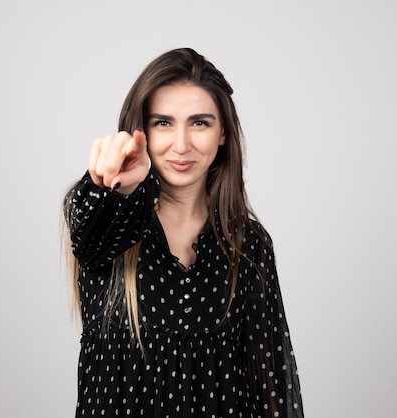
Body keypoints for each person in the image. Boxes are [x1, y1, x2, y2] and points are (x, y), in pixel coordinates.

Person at [63, 47, 304, 417]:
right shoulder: (112, 220)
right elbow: (86, 233)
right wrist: (112, 187)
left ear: (222, 133)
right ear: (140, 131)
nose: (181, 144)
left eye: (200, 123)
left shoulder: (248, 244)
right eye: (163, 123)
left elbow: (266, 383)